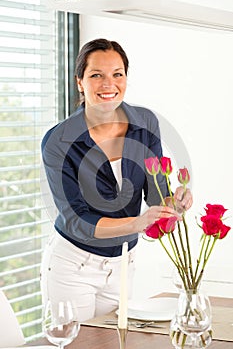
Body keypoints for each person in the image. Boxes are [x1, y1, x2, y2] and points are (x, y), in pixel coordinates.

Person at [40, 38, 192, 322]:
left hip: (123, 263)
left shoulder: (145, 122)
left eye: (117, 74)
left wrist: (175, 202)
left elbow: (156, 194)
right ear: (80, 82)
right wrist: (137, 223)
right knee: (75, 343)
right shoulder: (58, 141)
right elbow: (76, 220)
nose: (108, 84)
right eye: (96, 75)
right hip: (73, 265)